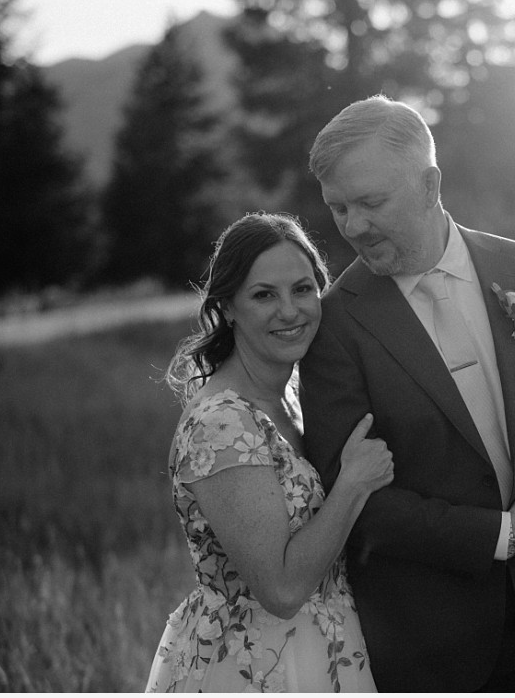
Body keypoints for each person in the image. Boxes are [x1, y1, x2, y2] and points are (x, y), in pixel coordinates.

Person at [299, 95, 515, 692]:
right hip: (421, 643)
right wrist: (498, 536)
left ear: (429, 185)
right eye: (339, 208)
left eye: (371, 202)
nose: (352, 227)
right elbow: (353, 506)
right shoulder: (336, 324)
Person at [146, 212, 394, 692]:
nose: (290, 310)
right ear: (228, 307)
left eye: (303, 289)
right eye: (264, 295)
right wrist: (354, 484)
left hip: (334, 651)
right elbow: (279, 589)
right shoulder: (221, 424)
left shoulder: (298, 395)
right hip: (257, 664)